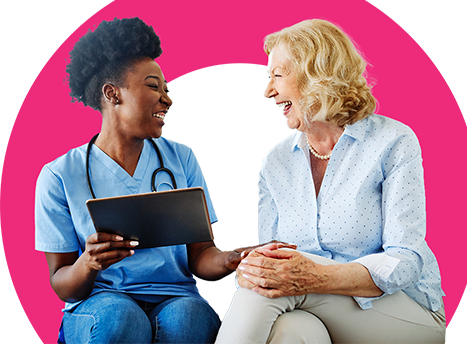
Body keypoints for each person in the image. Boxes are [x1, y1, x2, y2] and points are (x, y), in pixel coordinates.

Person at [35, 17, 292, 344]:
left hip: (174, 297)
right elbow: (61, 282)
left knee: (193, 319)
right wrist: (88, 264)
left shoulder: (181, 160)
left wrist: (232, 258)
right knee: (121, 318)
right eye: (154, 87)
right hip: (99, 302)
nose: (167, 99)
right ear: (113, 94)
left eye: (167, 91)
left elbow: (200, 256)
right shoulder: (59, 175)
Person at [215, 19, 446, 344]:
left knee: (264, 290)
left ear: (316, 73)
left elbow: (404, 260)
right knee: (289, 332)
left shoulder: (392, 141)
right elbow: (273, 257)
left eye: (277, 75)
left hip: (403, 311)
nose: (268, 91)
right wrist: (252, 269)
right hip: (316, 308)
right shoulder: (275, 163)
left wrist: (313, 276)